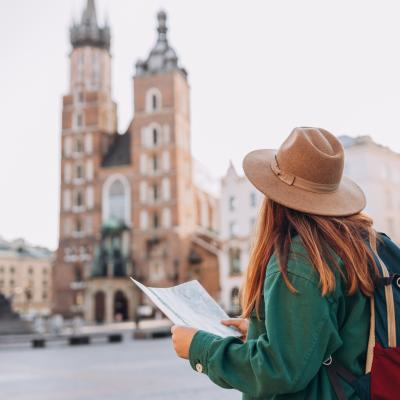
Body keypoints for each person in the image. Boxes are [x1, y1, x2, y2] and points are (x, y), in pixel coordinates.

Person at [171, 127, 379, 399]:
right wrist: (264, 329)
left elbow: (278, 371)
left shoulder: (300, 260)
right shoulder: (359, 243)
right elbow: (329, 332)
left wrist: (198, 347)